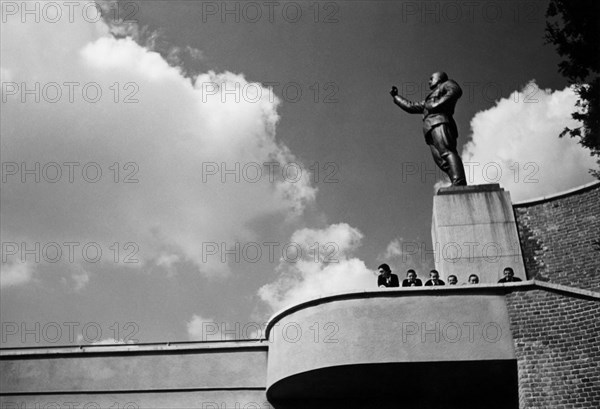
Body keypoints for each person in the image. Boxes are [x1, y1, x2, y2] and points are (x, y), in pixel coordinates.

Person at [390, 71, 467, 186]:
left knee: (447, 152)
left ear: (440, 78)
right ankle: (455, 183)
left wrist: (437, 104)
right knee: (441, 161)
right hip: (429, 130)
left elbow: (455, 91)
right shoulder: (428, 100)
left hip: (440, 122)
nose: (429, 81)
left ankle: (459, 181)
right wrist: (396, 97)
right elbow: (411, 107)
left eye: (432, 78)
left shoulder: (446, 84)